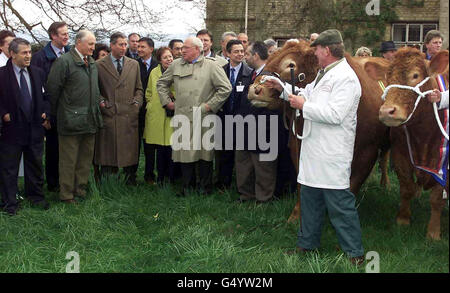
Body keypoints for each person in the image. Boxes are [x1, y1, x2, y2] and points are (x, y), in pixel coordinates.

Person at [266, 29, 365, 265]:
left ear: (327, 50)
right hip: (313, 150)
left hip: (331, 153)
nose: (315, 55)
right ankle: (306, 245)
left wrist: (304, 105)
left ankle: (355, 253)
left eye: (317, 50)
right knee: (309, 199)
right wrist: (283, 89)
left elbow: (335, 114)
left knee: (340, 204)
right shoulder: (324, 73)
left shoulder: (346, 79)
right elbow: (305, 94)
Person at [157, 36, 232, 196]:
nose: (182, 50)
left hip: (204, 117)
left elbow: (225, 88)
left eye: (186, 48)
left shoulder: (211, 66)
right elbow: (162, 83)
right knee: (185, 153)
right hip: (182, 116)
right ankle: (186, 188)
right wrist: (167, 102)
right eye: (182, 48)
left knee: (204, 154)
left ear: (198, 50)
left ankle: (205, 188)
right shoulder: (176, 65)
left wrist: (209, 105)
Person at [47, 30, 103, 204]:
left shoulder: (92, 63)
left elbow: (94, 89)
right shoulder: (64, 62)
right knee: (68, 160)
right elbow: (52, 90)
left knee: (85, 159)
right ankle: (66, 195)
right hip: (70, 120)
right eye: (90, 44)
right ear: (78, 42)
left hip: (90, 119)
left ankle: (80, 190)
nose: (93, 48)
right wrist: (58, 113)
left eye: (94, 44)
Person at [0, 38, 50, 215]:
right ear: (13, 54)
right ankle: (9, 203)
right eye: (24, 53)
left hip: (34, 128)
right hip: (12, 129)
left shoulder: (37, 72)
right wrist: (3, 113)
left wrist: (45, 112)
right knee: (9, 168)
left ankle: (36, 197)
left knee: (35, 164)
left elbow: (45, 96)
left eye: (29, 52)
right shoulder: (2, 74)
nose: (28, 56)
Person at [94, 32, 143, 186]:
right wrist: (102, 103)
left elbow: (139, 88)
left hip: (128, 114)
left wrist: (137, 103)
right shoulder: (99, 65)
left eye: (125, 44)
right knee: (109, 151)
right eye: (120, 44)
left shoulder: (133, 64)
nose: (124, 47)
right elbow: (95, 90)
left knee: (129, 151)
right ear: (112, 45)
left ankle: (130, 180)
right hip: (110, 114)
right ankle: (108, 182)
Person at [235, 41, 279, 203]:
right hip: (245, 127)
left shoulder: (270, 77)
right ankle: (246, 196)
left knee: (263, 167)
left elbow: (269, 105)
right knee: (244, 165)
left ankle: (263, 199)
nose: (244, 57)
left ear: (256, 55)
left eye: (247, 54)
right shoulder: (250, 74)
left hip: (263, 129)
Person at [31, 21, 70, 192]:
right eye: (63, 34)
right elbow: (37, 87)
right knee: (53, 149)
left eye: (68, 33)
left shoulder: (70, 53)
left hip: (69, 110)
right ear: (53, 36)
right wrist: (45, 114)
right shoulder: (40, 58)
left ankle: (66, 180)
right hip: (52, 110)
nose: (67, 37)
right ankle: (53, 184)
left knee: (67, 148)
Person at [216, 39, 253, 190]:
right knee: (223, 153)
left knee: (240, 155)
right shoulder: (221, 71)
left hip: (241, 119)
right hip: (223, 118)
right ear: (228, 53)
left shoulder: (249, 73)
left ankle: (240, 185)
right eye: (236, 51)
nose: (240, 54)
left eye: (242, 51)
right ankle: (222, 184)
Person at [143, 47, 176, 184]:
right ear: (160, 60)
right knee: (157, 148)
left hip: (172, 113)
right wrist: (150, 104)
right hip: (155, 114)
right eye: (165, 57)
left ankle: (170, 177)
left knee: (170, 147)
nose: (169, 59)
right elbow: (149, 92)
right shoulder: (154, 72)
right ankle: (156, 177)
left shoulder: (177, 71)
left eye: (170, 56)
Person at [136, 37, 159, 184]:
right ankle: (131, 174)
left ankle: (150, 175)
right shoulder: (133, 65)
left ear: (151, 49)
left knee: (151, 145)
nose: (139, 49)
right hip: (137, 110)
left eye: (142, 47)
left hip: (154, 110)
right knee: (135, 144)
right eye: (138, 47)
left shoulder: (158, 65)